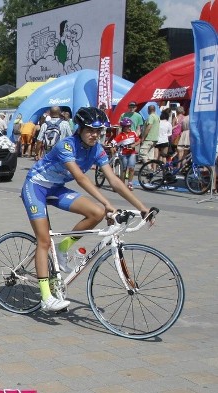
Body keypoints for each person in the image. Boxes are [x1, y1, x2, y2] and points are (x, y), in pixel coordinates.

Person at [20, 106, 152, 312]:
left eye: (98, 131)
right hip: (36, 186)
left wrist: (143, 208)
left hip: (55, 188)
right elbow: (81, 179)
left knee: (97, 213)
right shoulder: (67, 146)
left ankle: (63, 247)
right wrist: (109, 204)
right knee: (44, 240)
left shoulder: (97, 150)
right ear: (79, 128)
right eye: (90, 130)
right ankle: (46, 298)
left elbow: (115, 182)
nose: (95, 135)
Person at [113, 117, 140, 189]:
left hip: (132, 153)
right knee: (124, 169)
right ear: (123, 127)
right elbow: (113, 143)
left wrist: (133, 145)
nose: (129, 127)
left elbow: (138, 141)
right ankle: (122, 184)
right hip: (123, 154)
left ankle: (130, 183)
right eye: (127, 126)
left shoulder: (133, 133)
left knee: (131, 168)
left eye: (130, 126)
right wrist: (113, 147)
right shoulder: (120, 135)